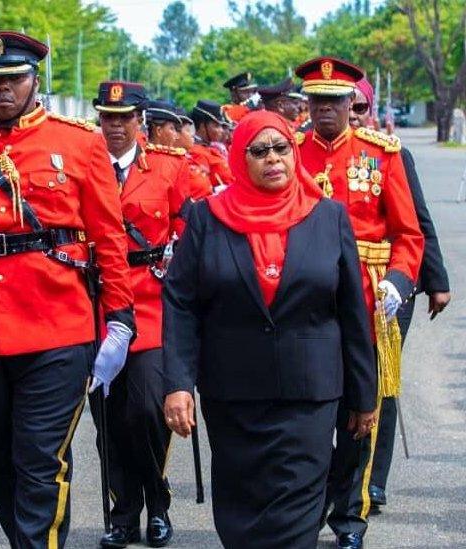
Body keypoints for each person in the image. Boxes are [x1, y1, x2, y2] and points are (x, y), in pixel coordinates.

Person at [0, 31, 135, 547]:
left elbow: (109, 236)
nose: (2, 91)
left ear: (34, 80)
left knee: (40, 460)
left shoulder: (79, 142)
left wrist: (120, 317)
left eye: (13, 80)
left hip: (55, 327)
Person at [162, 110, 377, 549]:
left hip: (310, 394)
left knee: (298, 510)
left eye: (281, 149)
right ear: (242, 159)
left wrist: (364, 393)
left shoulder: (329, 216)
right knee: (241, 510)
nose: (273, 159)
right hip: (233, 394)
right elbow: (181, 303)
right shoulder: (208, 219)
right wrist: (178, 384)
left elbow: (353, 311)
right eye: (259, 151)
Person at [296, 56, 424, 549]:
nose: (325, 110)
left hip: (370, 297)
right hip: (306, 297)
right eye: (317, 101)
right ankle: (308, 510)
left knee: (360, 412)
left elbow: (409, 234)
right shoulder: (288, 152)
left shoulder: (381, 153)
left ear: (353, 103)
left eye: (335, 101)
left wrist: (398, 280)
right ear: (307, 103)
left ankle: (350, 517)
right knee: (309, 415)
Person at [347, 77, 451, 510]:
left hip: (387, 285)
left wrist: (436, 281)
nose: (350, 116)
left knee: (380, 382)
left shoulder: (389, 154)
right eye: (342, 106)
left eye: (357, 108)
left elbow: (417, 223)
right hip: (334, 286)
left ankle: (373, 479)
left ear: (368, 112)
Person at [94, 81, 188, 549]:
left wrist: (179, 258)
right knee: (109, 419)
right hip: (96, 304)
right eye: (107, 118)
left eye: (123, 118)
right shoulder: (84, 166)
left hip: (150, 302)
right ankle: (124, 514)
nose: (114, 126)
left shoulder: (169, 168)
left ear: (140, 122)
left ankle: (158, 500)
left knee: (148, 410)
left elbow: (188, 223)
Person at [190, 100, 235, 192]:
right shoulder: (196, 152)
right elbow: (202, 187)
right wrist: (216, 190)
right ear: (203, 127)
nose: (221, 131)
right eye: (216, 126)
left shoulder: (213, 148)